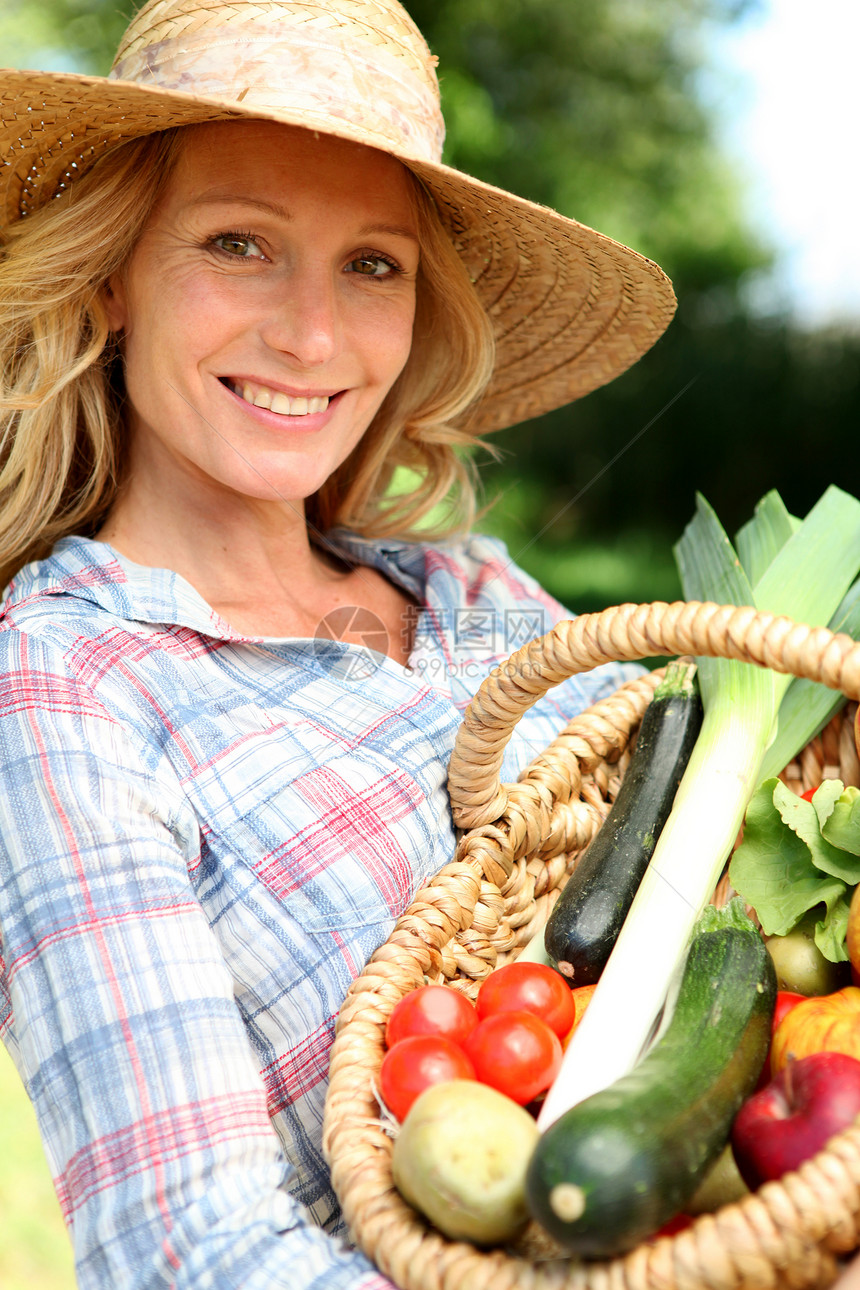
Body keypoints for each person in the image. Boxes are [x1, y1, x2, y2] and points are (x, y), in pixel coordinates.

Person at [0, 0, 676, 1285]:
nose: (311, 336)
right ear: (109, 279)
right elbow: (187, 1251)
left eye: (372, 263)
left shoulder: (481, 593)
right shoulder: (66, 691)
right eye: (239, 244)